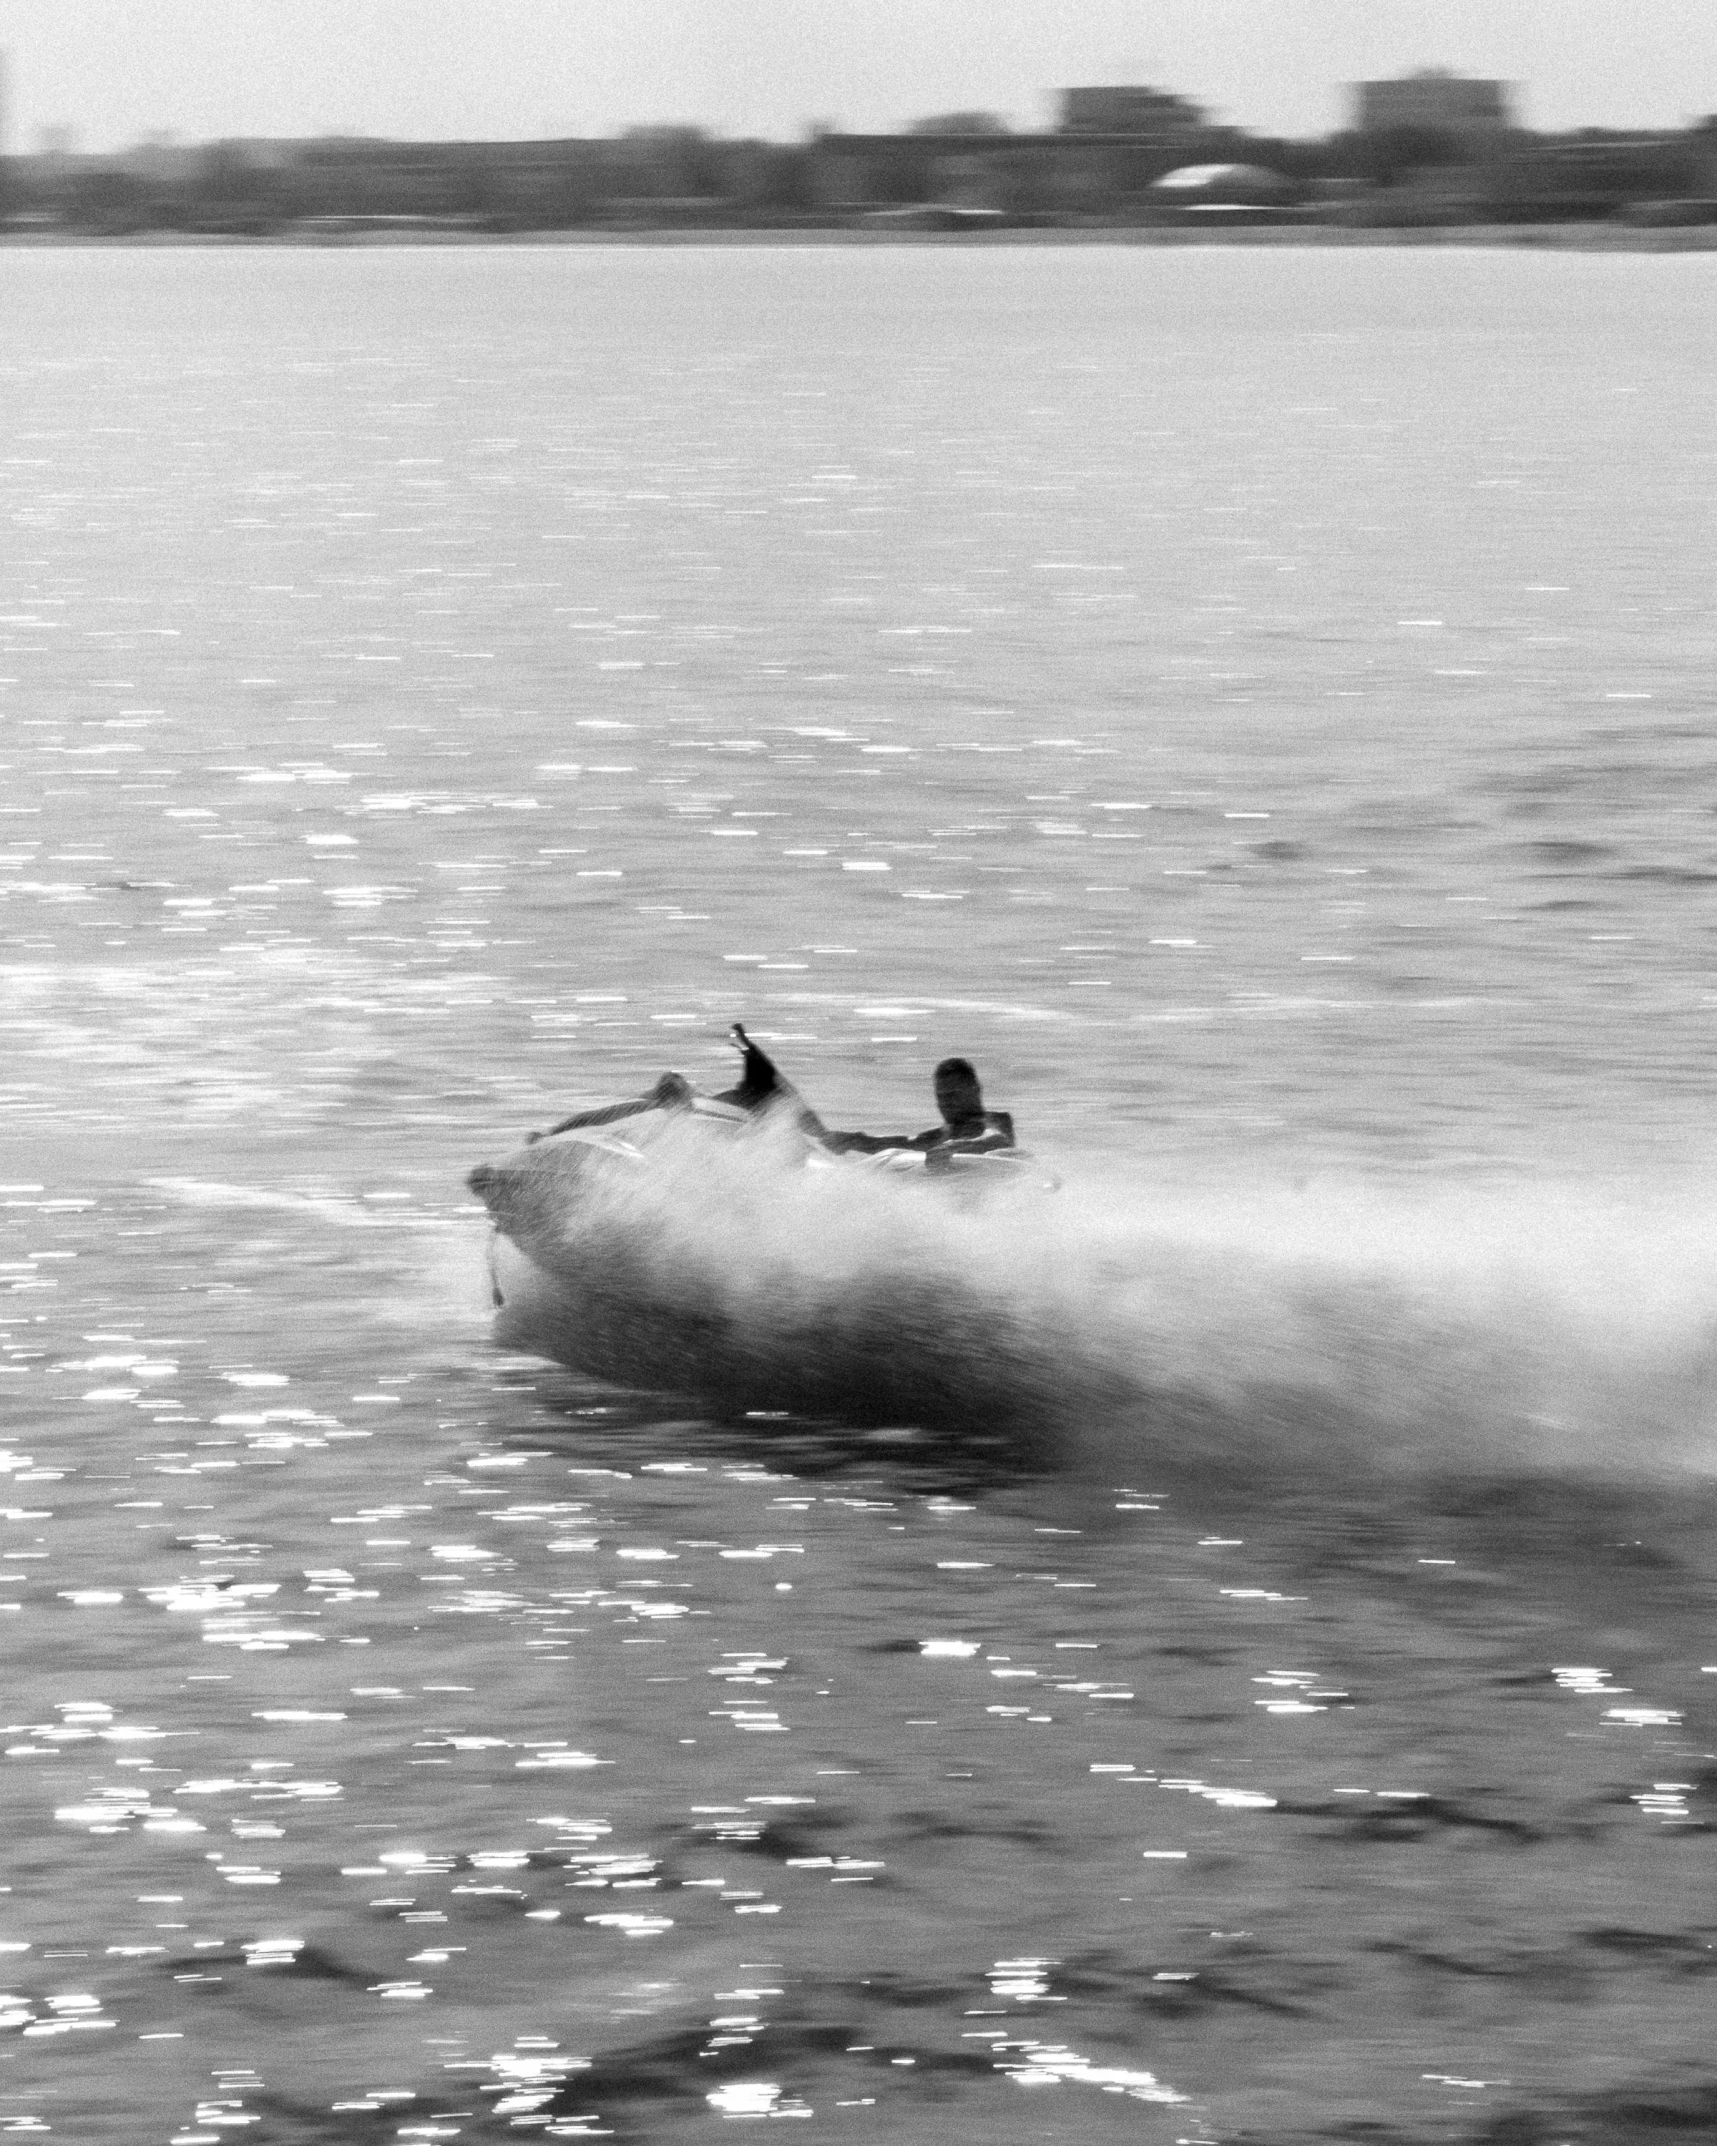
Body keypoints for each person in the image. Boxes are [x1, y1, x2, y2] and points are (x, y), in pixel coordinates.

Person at [825, 1057, 1017, 1167]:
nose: (946, 1103)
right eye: (941, 1096)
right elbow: (902, 1144)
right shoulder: (940, 1135)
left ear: (975, 1089)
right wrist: (855, 1141)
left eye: (954, 1094)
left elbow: (997, 1139)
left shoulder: (994, 1120)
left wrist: (954, 1147)